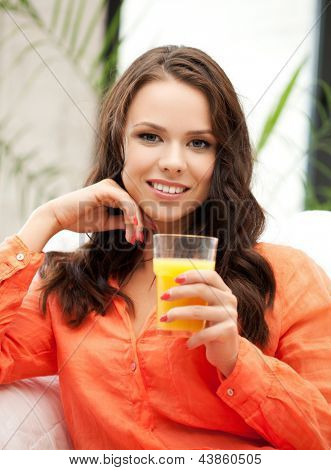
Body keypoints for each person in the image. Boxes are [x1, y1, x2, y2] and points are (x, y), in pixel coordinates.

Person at [0, 45, 330, 450]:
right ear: (119, 145)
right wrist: (43, 222)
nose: (173, 161)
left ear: (223, 159)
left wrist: (235, 358)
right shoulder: (73, 287)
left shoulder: (287, 277)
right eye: (150, 136)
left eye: (199, 143)